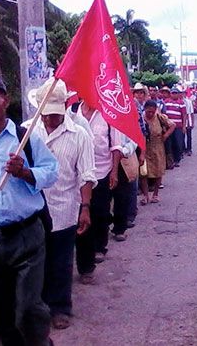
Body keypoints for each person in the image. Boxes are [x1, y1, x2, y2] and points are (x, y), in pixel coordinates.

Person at [0, 75, 58, 346]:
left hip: (27, 234)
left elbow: (51, 172)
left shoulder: (24, 137)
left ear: (5, 101)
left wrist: (24, 172)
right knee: (0, 312)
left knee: (29, 307)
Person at [30, 79, 96, 329]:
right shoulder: (26, 131)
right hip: (33, 211)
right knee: (37, 262)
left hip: (64, 207)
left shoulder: (80, 134)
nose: (49, 120)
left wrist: (86, 207)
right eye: (45, 115)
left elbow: (86, 174)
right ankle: (37, 307)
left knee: (61, 261)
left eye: (55, 115)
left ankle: (60, 307)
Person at [72, 98, 124, 282]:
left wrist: (114, 172)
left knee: (99, 212)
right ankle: (85, 262)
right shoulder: (73, 112)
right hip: (78, 173)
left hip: (102, 170)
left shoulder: (108, 114)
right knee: (82, 215)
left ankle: (100, 247)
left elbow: (116, 145)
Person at [143, 100, 175, 203]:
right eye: (148, 112)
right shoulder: (140, 118)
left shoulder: (160, 117)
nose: (150, 114)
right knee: (143, 172)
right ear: (145, 109)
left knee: (158, 171)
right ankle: (145, 195)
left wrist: (165, 135)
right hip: (144, 147)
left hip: (158, 147)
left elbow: (172, 125)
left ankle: (155, 194)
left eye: (153, 111)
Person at [164, 87, 187, 167]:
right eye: (172, 93)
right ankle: (172, 160)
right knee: (170, 143)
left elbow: (184, 115)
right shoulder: (166, 102)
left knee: (178, 143)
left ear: (178, 94)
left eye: (175, 93)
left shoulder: (181, 103)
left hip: (178, 127)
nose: (174, 95)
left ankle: (177, 159)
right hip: (169, 127)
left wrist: (184, 126)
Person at [183, 89, 195, 156]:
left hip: (188, 121)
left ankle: (189, 149)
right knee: (182, 136)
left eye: (184, 93)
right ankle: (183, 149)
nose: (183, 95)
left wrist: (192, 123)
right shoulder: (180, 102)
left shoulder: (189, 102)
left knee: (189, 136)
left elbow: (192, 113)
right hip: (181, 121)